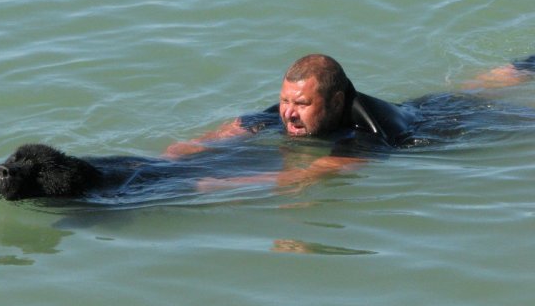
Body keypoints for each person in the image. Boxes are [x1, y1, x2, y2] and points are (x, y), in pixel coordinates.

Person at [164, 53, 535, 189]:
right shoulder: (293, 108)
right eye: (284, 101)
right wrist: (188, 150)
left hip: (450, 124)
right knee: (479, 85)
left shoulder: (367, 136)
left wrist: (221, 185)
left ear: (336, 101)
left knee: (481, 100)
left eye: (302, 103)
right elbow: (244, 124)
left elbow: (304, 176)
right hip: (412, 107)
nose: (289, 113)